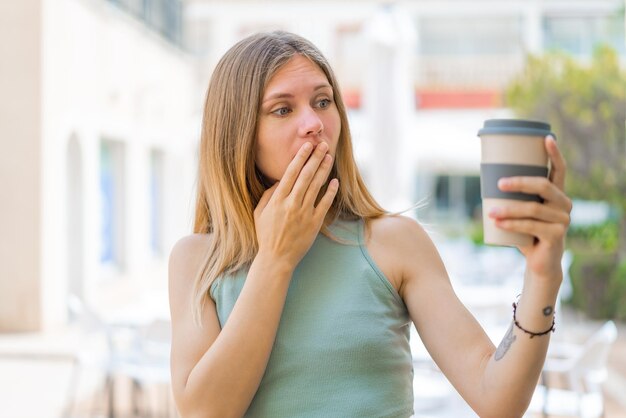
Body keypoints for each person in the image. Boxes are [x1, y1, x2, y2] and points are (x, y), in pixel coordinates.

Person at [168, 31, 572, 418]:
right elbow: (205, 412)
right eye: (283, 108)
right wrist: (275, 259)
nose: (313, 122)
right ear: (238, 135)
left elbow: (496, 399)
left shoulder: (393, 242)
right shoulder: (198, 260)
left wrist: (543, 274)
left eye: (323, 101)